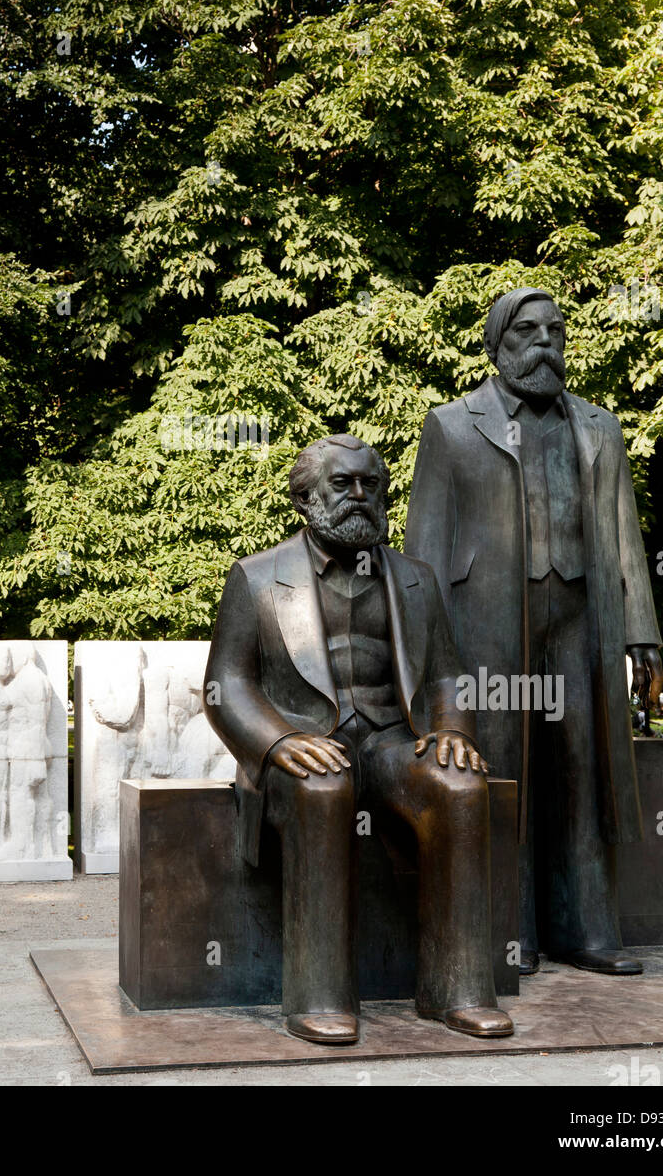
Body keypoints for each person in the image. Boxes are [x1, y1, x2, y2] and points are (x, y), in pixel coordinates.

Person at [204, 434, 513, 1046]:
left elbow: (450, 675)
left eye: (370, 485)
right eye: (342, 484)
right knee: (321, 786)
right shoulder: (257, 577)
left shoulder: (416, 580)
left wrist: (452, 730)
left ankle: (459, 990)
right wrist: (275, 743)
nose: (358, 495)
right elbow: (225, 686)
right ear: (306, 496)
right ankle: (317, 996)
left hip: (395, 743)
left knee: (459, 786)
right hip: (307, 745)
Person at [405, 288, 663, 977]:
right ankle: (504, 932)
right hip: (485, 624)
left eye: (556, 329)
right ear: (496, 345)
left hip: (583, 621)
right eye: (526, 330)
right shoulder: (452, 426)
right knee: (499, 770)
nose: (544, 341)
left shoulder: (599, 428)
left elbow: (625, 536)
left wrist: (642, 632)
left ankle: (587, 929)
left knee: (582, 772)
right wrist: (424, 658)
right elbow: (424, 546)